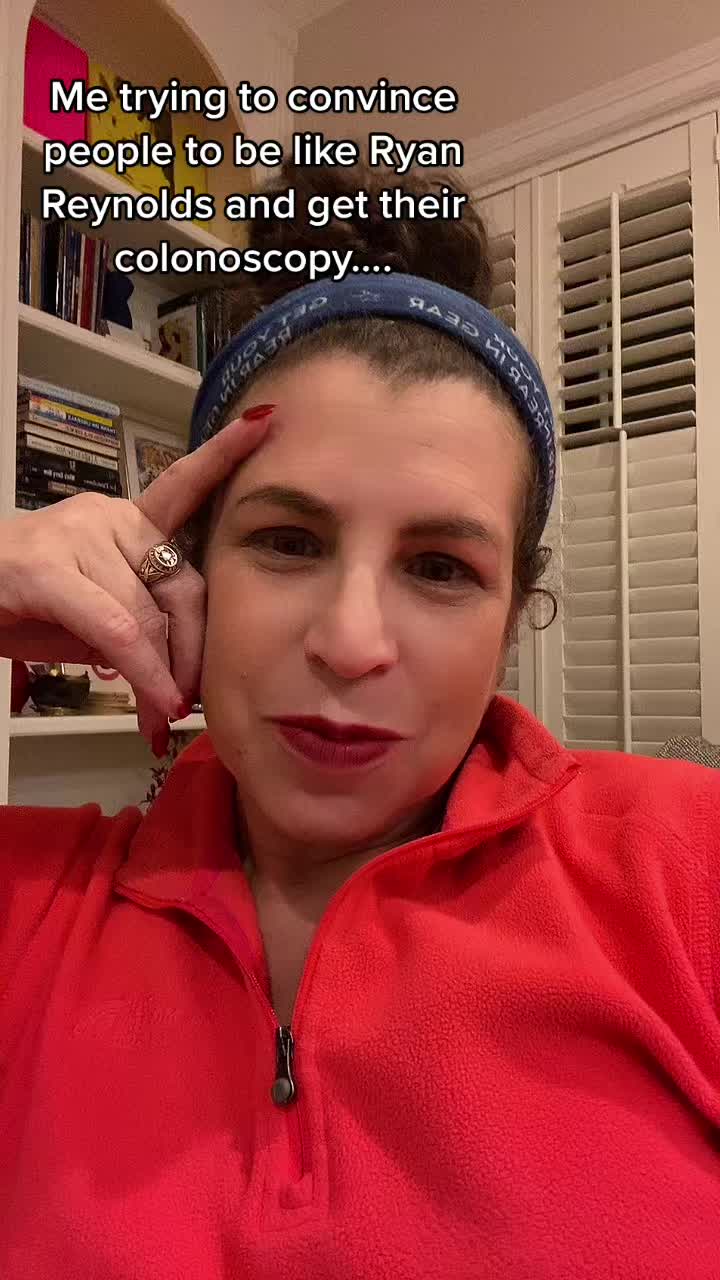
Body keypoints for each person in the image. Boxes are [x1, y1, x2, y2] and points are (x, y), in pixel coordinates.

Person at [1, 159, 720, 1280]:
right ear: (185, 570)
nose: (350, 641)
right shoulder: (32, 911)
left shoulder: (684, 869)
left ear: (513, 616)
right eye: (288, 542)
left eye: (439, 567)